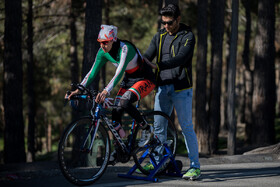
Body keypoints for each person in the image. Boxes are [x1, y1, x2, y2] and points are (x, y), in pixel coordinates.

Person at [66, 25, 156, 161]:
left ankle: (147, 128)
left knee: (124, 102)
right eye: (100, 42)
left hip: (145, 78)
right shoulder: (102, 52)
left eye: (105, 42)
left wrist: (106, 90)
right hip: (129, 79)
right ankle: (119, 149)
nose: (102, 45)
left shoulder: (125, 48)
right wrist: (78, 89)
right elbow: (92, 72)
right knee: (116, 111)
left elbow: (119, 72)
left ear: (113, 40)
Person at [142, 4, 201, 180]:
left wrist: (158, 65)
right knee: (159, 127)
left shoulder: (188, 36)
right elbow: (147, 57)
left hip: (181, 88)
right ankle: (159, 160)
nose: (166, 26)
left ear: (178, 19)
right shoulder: (159, 36)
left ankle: (195, 167)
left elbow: (181, 58)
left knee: (186, 127)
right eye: (164, 23)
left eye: (170, 23)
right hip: (161, 87)